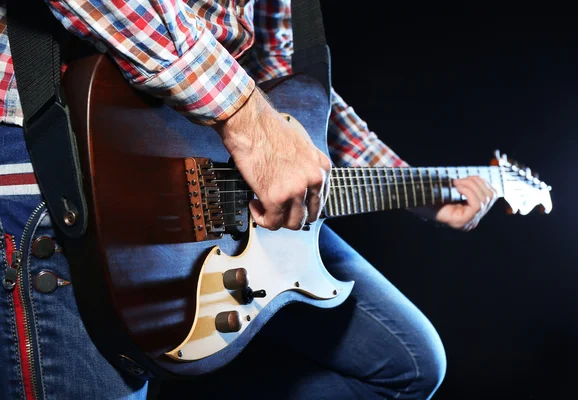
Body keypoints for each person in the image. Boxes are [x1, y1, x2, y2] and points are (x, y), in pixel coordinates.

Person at [0, 1, 497, 399]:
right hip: (61, 161)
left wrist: (409, 184)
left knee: (408, 364)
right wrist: (245, 117)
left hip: (216, 164)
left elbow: (282, 75)